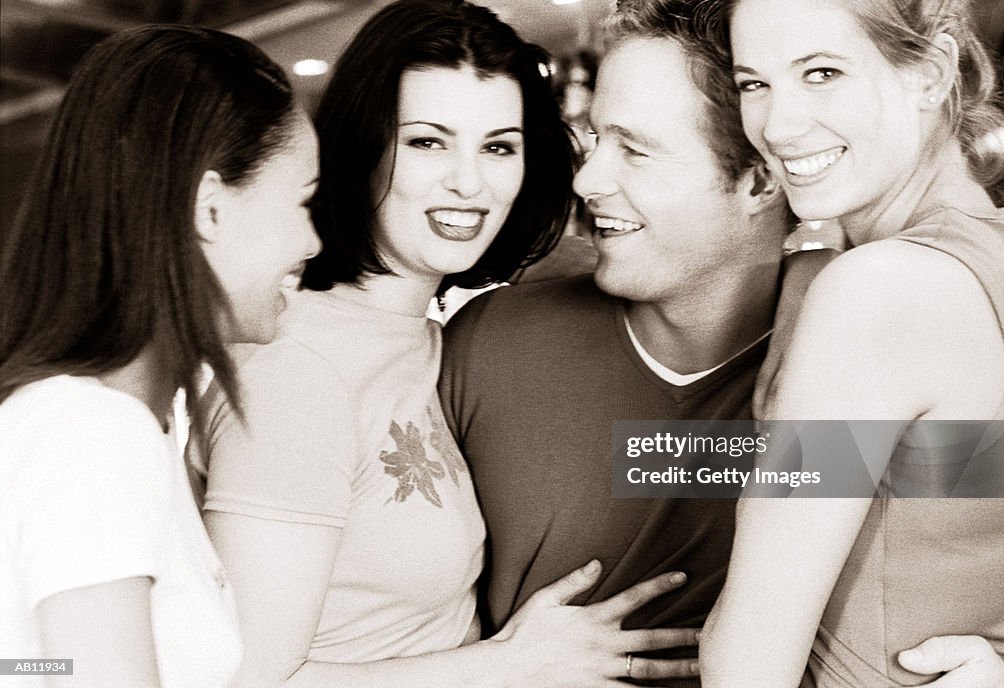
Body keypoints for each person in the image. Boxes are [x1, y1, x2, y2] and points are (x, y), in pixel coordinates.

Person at [191, 1, 697, 686]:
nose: (470, 182)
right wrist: (507, 666)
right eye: (428, 142)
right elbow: (240, 680)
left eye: (498, 146)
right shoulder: (297, 365)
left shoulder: (449, 336)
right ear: (364, 147)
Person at [439, 2, 795, 686]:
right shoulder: (491, 345)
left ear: (758, 179)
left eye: (635, 150)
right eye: (596, 138)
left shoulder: (849, 370)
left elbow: (988, 519)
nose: (587, 180)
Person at [690, 0, 1004, 686]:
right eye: (754, 82)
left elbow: (747, 664)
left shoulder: (880, 293)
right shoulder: (1003, 255)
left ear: (929, 75)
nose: (777, 127)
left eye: (821, 73)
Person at [0, 25, 321, 688]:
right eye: (303, 201)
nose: (313, 241)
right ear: (209, 209)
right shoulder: (92, 434)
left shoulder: (128, 421)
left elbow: (35, 666)